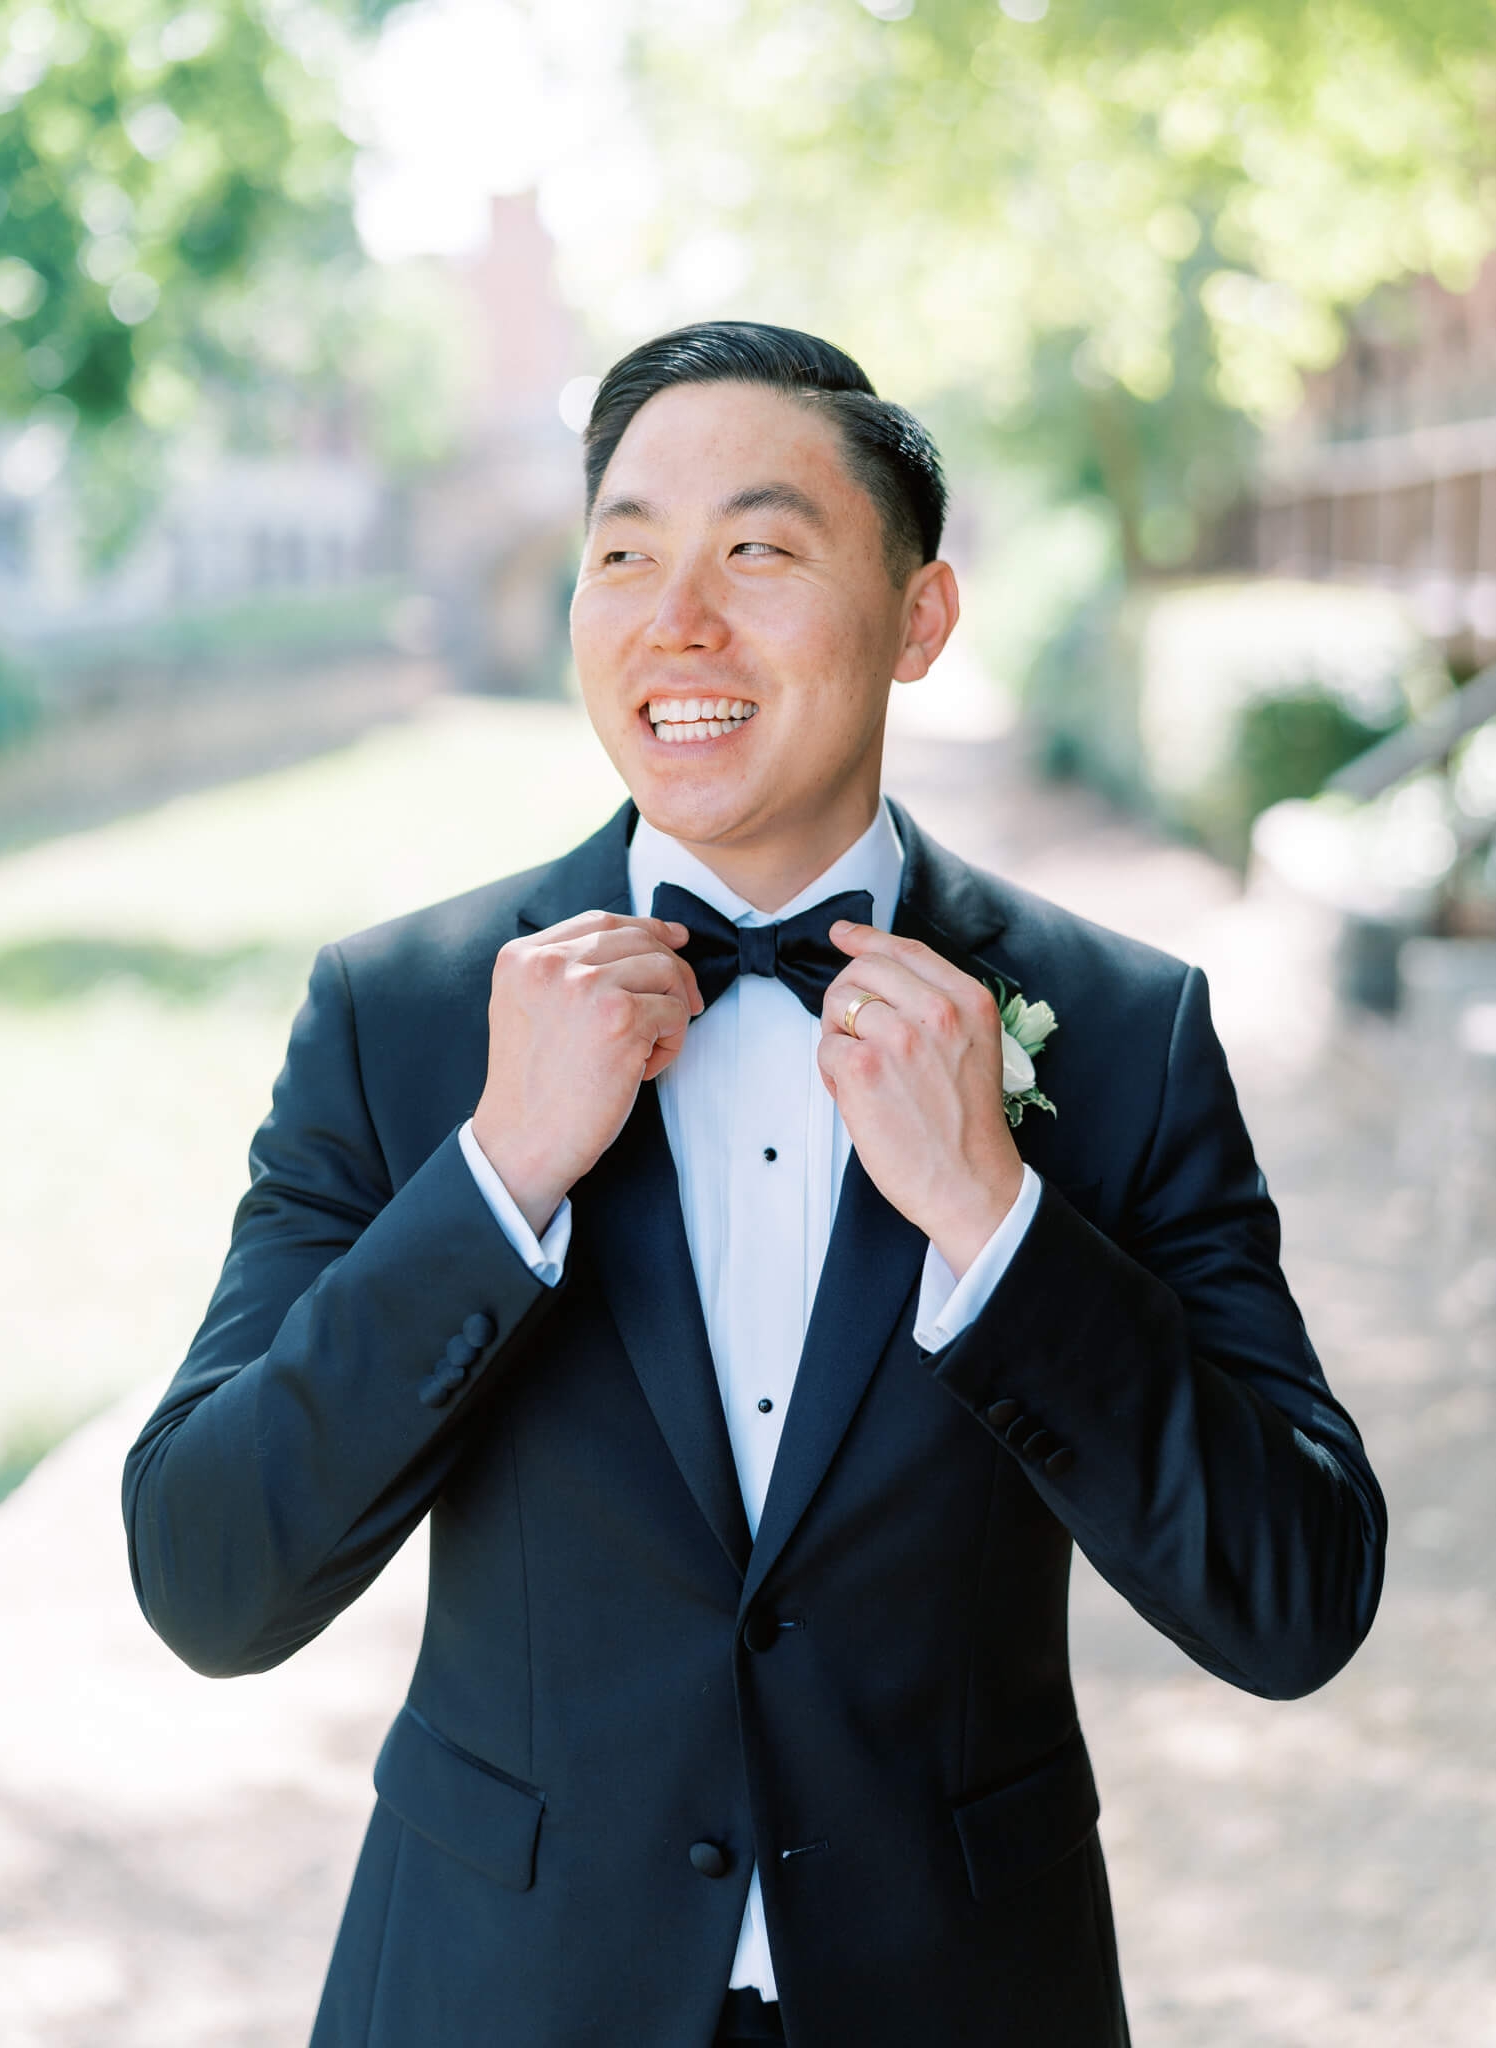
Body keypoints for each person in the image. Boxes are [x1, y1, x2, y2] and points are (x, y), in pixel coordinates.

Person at [123, 321, 1386, 2048]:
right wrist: (498, 1176)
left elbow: (1295, 1596)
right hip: (497, 1998)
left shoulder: (1122, 1031)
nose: (676, 620)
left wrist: (996, 1223)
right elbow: (209, 1578)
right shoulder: (401, 1018)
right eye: (623, 554)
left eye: (760, 551)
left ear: (920, 618)